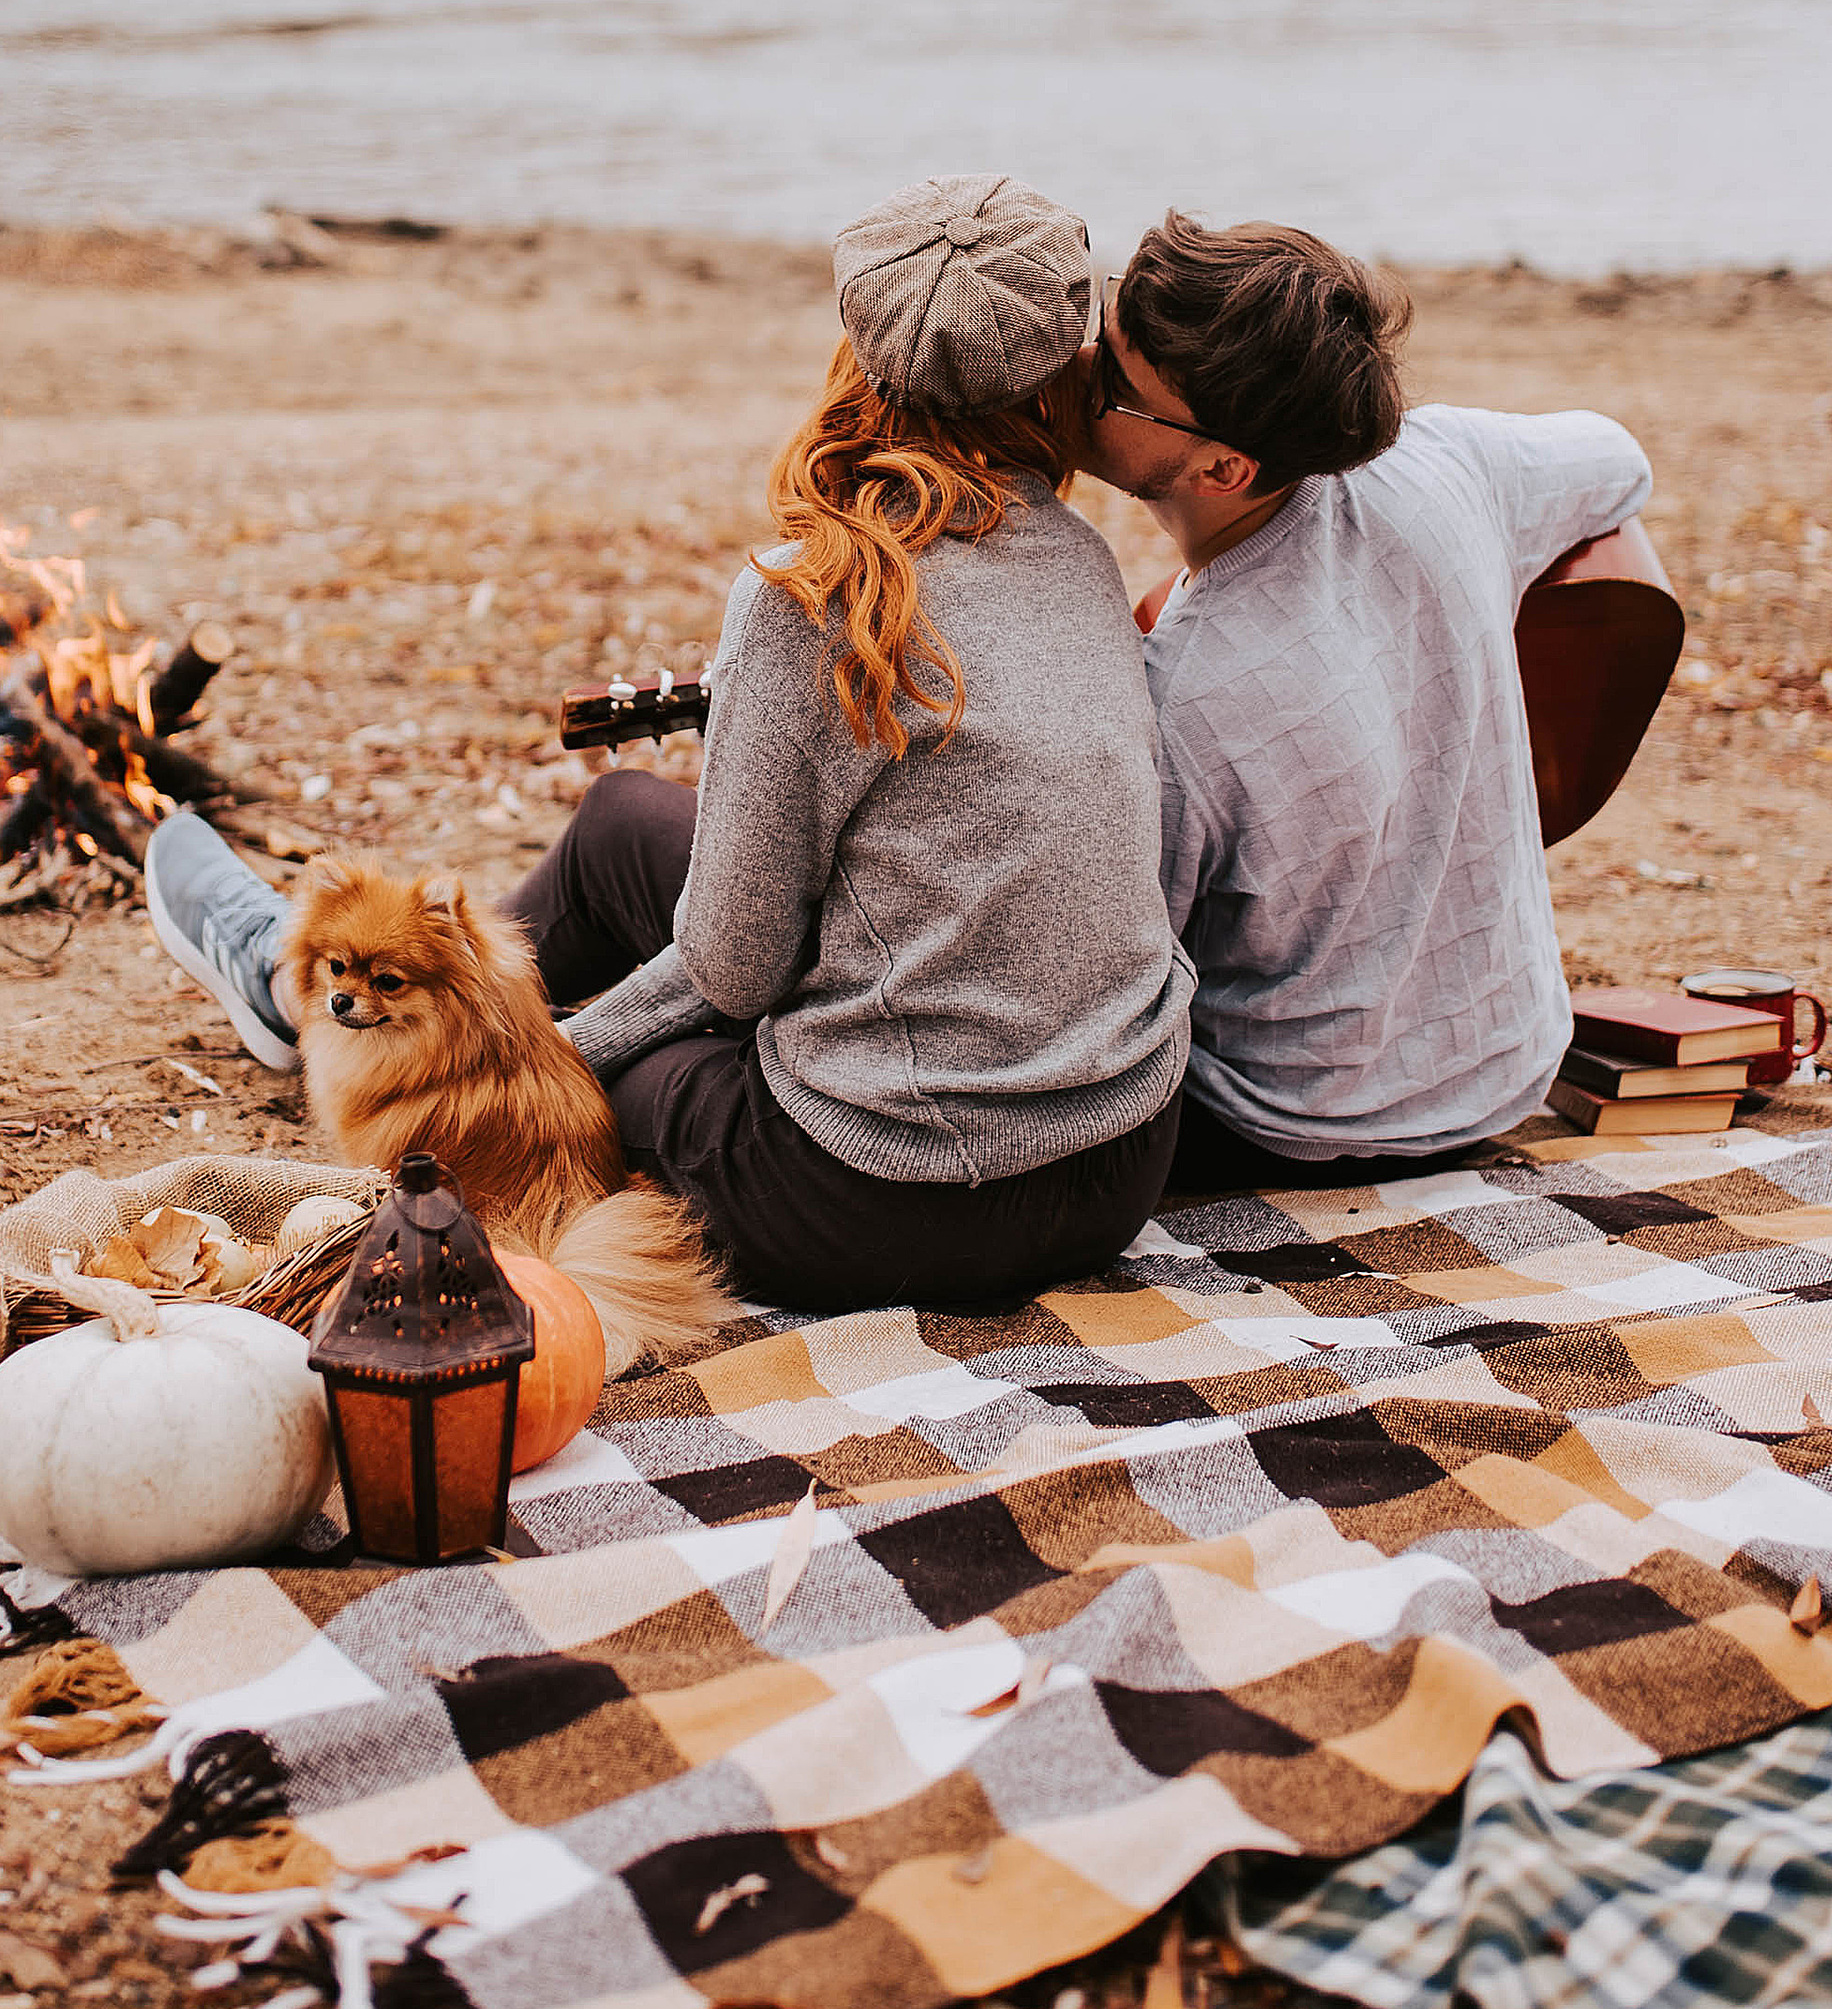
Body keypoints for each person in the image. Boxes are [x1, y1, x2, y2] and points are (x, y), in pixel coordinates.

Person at [147, 176, 1193, 1312]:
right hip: (1119, 1158)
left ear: (859, 348)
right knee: (618, 821)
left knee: (601, 1087)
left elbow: (736, 972)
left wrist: (538, 1062)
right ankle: (408, 980)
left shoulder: (815, 596)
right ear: (1066, 365)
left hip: (889, 1201)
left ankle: (398, 1032)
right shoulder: (1084, 559)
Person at [1080, 213, 1653, 1192]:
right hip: (1505, 1069)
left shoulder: (1176, 694)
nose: (1074, 370)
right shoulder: (1444, 462)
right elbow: (1619, 461)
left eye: (1108, 381)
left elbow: (1116, 984)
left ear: (1223, 468)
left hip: (1289, 1129)